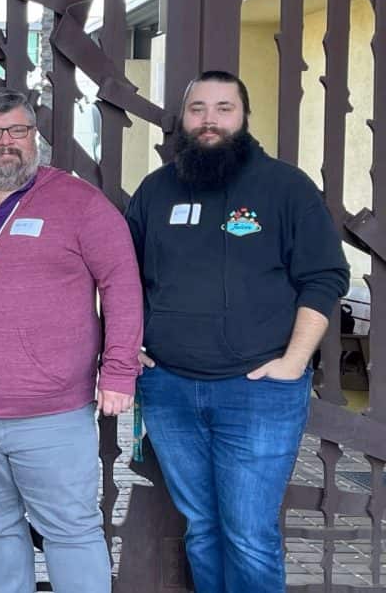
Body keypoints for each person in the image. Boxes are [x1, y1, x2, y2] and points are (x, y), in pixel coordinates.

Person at [125, 70, 349, 592]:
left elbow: (325, 276)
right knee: (202, 530)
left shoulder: (285, 187)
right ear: (182, 119)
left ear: (244, 116)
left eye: (224, 108)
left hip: (258, 393)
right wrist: (127, 342)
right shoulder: (156, 190)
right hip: (170, 391)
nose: (210, 120)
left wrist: (293, 363)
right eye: (198, 108)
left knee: (247, 534)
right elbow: (121, 275)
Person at [0, 88, 142, 593]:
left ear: (35, 138)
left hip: (52, 415)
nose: (7, 143)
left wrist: (118, 371)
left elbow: (123, 284)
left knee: (70, 532)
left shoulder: (78, 202)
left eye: (18, 131)